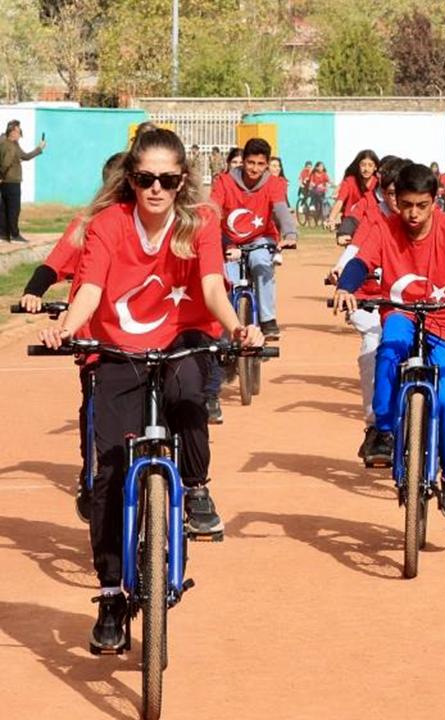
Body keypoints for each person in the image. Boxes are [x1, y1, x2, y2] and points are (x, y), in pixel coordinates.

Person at [35, 128, 265, 652]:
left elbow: (210, 285)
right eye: (145, 179)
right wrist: (67, 327)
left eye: (166, 179)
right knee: (109, 475)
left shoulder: (201, 222)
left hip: (183, 341)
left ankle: (194, 488)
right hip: (120, 350)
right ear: (131, 181)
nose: (156, 189)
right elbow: (89, 287)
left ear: (182, 180)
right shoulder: (108, 224)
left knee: (190, 402)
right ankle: (113, 594)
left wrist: (235, 328)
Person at [333, 163, 445, 517]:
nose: (413, 214)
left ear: (434, 203)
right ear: (395, 200)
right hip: (401, 314)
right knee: (388, 351)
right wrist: (345, 286)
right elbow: (361, 262)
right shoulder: (383, 228)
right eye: (407, 204)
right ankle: (383, 431)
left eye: (422, 205)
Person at [18, 152, 127, 522]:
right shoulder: (89, 223)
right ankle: (90, 471)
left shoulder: (155, 225)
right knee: (94, 402)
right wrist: (33, 291)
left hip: (142, 335)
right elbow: (54, 262)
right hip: (95, 335)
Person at [329, 156, 410, 461]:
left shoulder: (425, 218)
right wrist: (340, 273)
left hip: (413, 306)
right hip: (372, 303)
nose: (400, 202)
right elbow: (354, 250)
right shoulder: (374, 221)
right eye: (391, 194)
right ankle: (375, 426)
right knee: (372, 347)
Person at [209, 137, 298, 341]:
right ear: (243, 161)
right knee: (227, 281)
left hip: (260, 239)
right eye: (250, 163)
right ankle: (225, 327)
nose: (254, 169)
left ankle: (267, 320)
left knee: (260, 263)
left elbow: (281, 210)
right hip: (229, 241)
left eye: (260, 164)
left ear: (266, 165)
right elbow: (213, 210)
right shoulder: (224, 181)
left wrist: (290, 234)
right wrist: (212, 238)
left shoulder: (273, 184)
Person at [0, 119, 47, 242]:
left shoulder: (5, 142)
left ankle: (3, 235)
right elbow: (6, 163)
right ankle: (15, 235)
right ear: (13, 132)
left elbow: (23, 156)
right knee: (14, 209)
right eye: (19, 131)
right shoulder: (11, 146)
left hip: (5, 182)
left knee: (4, 208)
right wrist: (1, 175)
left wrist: (38, 148)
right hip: (11, 181)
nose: (20, 134)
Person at [327, 149, 380, 228]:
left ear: (375, 167)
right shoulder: (349, 182)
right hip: (350, 223)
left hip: (371, 225)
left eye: (370, 165)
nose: (366, 169)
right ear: (358, 166)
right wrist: (331, 219)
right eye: (363, 165)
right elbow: (340, 201)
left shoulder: (379, 184)